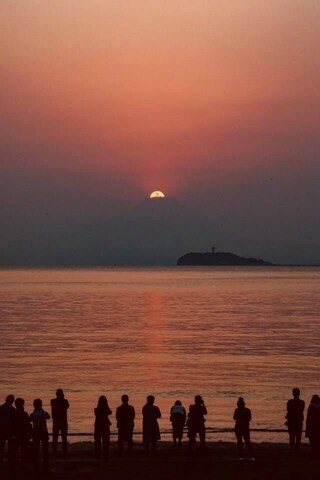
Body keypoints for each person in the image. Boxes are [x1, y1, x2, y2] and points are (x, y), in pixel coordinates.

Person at [30, 398, 50, 472]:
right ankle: (46, 467)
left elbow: (30, 420)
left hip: (36, 432)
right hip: (44, 432)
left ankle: (36, 467)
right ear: (41, 405)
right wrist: (42, 410)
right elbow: (48, 417)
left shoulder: (33, 414)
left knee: (36, 449)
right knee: (45, 450)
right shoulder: (44, 413)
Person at [13, 398, 32, 468]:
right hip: (24, 434)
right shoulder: (24, 414)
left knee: (15, 449)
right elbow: (28, 424)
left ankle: (13, 465)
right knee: (24, 450)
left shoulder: (14, 413)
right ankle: (23, 464)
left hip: (16, 434)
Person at [51, 388, 69, 455]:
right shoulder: (64, 401)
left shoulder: (53, 401)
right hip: (62, 421)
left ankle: (55, 451)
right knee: (63, 437)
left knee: (55, 437)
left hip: (56, 421)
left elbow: (66, 406)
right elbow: (67, 406)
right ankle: (64, 452)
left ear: (56, 394)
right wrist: (63, 398)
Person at [94, 395, 112, 460]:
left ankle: (97, 456)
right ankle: (106, 456)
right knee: (106, 442)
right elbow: (110, 412)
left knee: (97, 442)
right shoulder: (106, 409)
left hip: (98, 426)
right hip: (105, 426)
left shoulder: (96, 410)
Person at [0, 394, 16, 464]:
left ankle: (1, 459)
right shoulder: (12, 409)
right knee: (10, 445)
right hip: (9, 428)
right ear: (12, 401)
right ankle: (10, 459)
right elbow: (14, 419)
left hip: (2, 427)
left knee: (1, 444)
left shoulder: (1, 407)